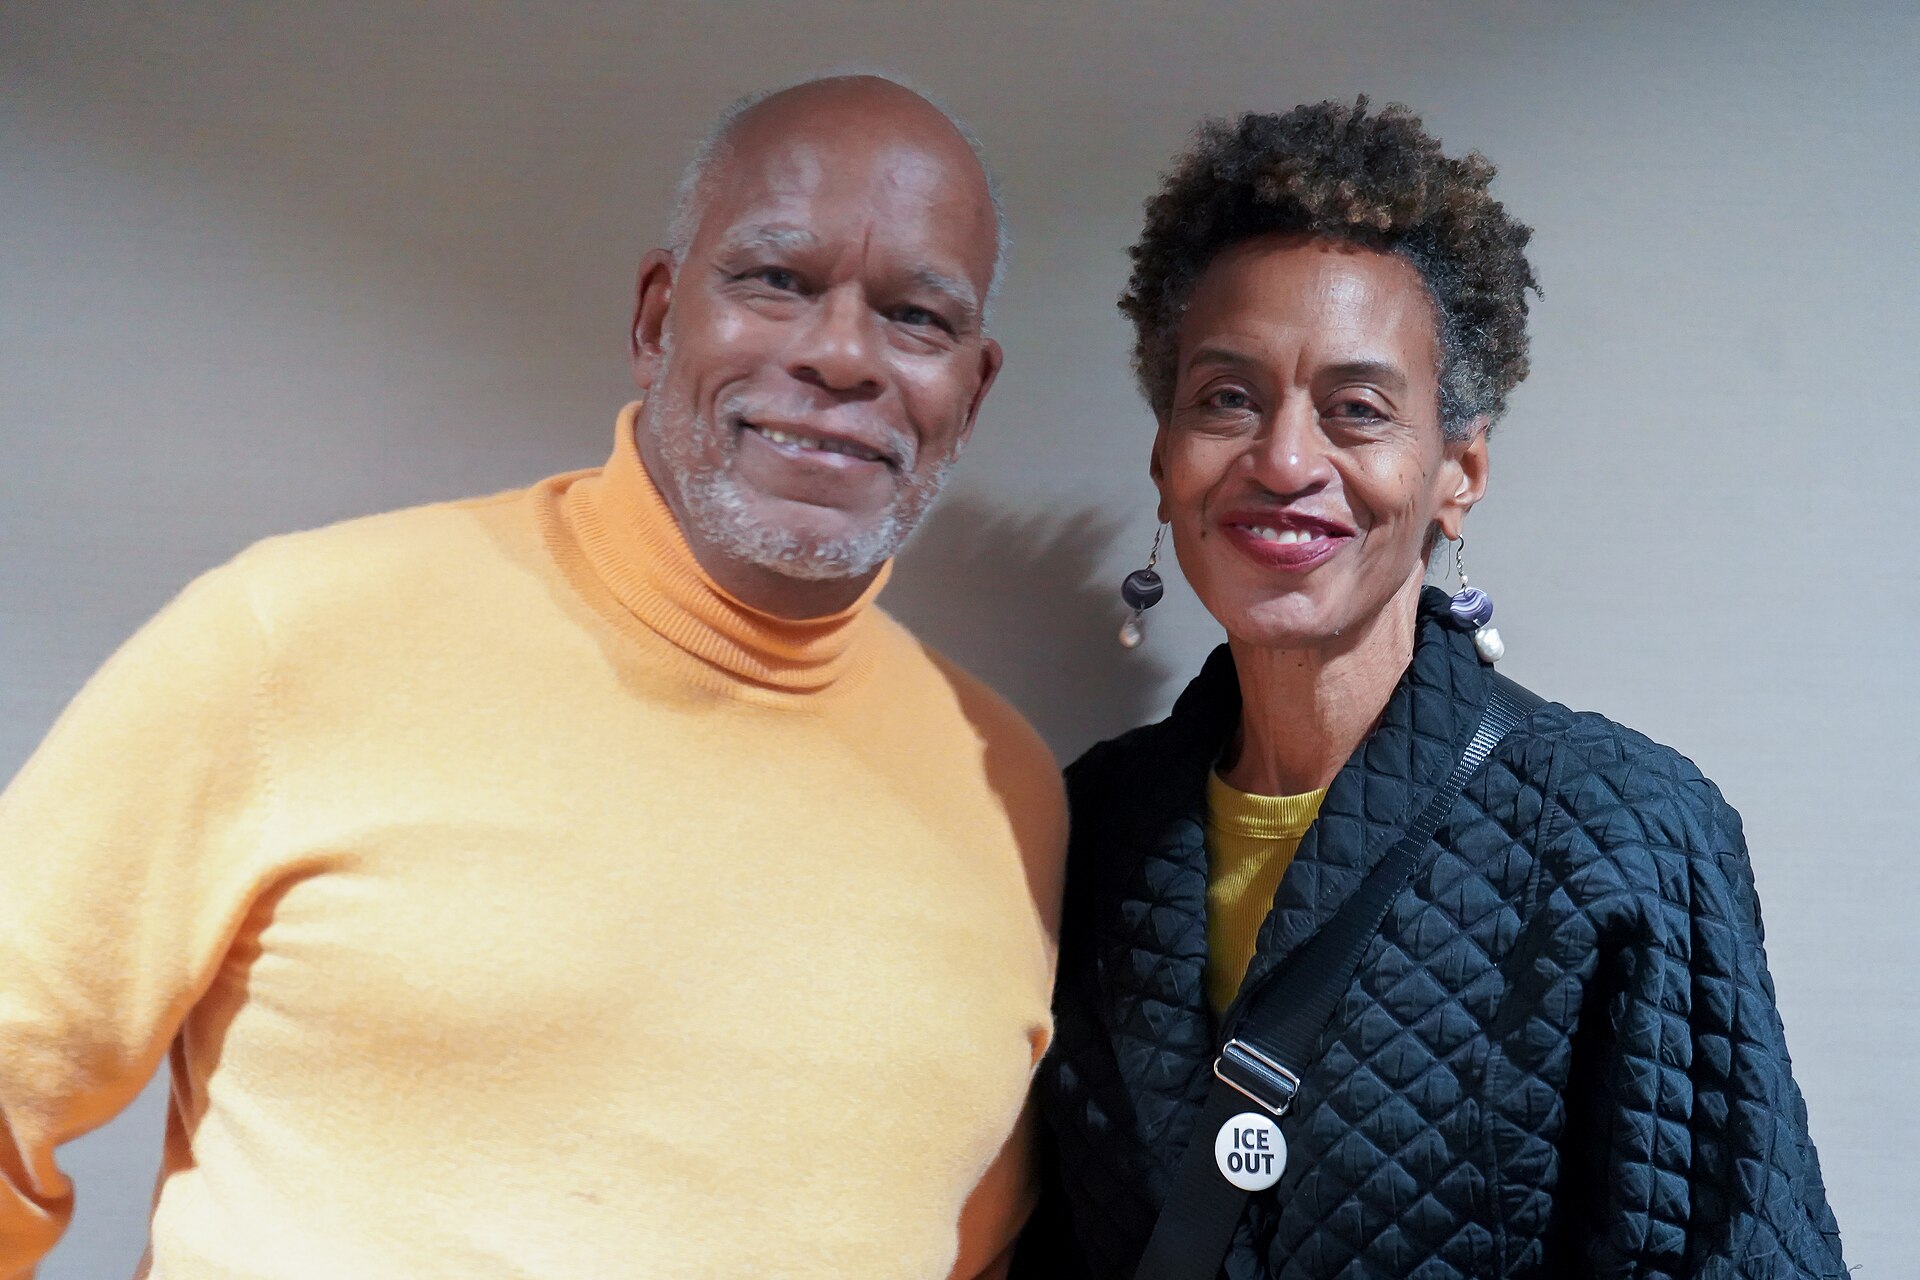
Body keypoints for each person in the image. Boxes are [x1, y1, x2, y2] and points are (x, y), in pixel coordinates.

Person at [0, 75, 1065, 1280]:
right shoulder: (289, 638)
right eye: (778, 280)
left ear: (969, 393)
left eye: (917, 316)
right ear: (658, 319)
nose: (840, 355)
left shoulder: (1010, 788)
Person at [1019, 99, 1846, 1278]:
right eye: (1226, 398)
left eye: (1358, 410)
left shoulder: (1626, 833)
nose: (1286, 460)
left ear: (1458, 471)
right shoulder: (1088, 830)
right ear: (1165, 457)